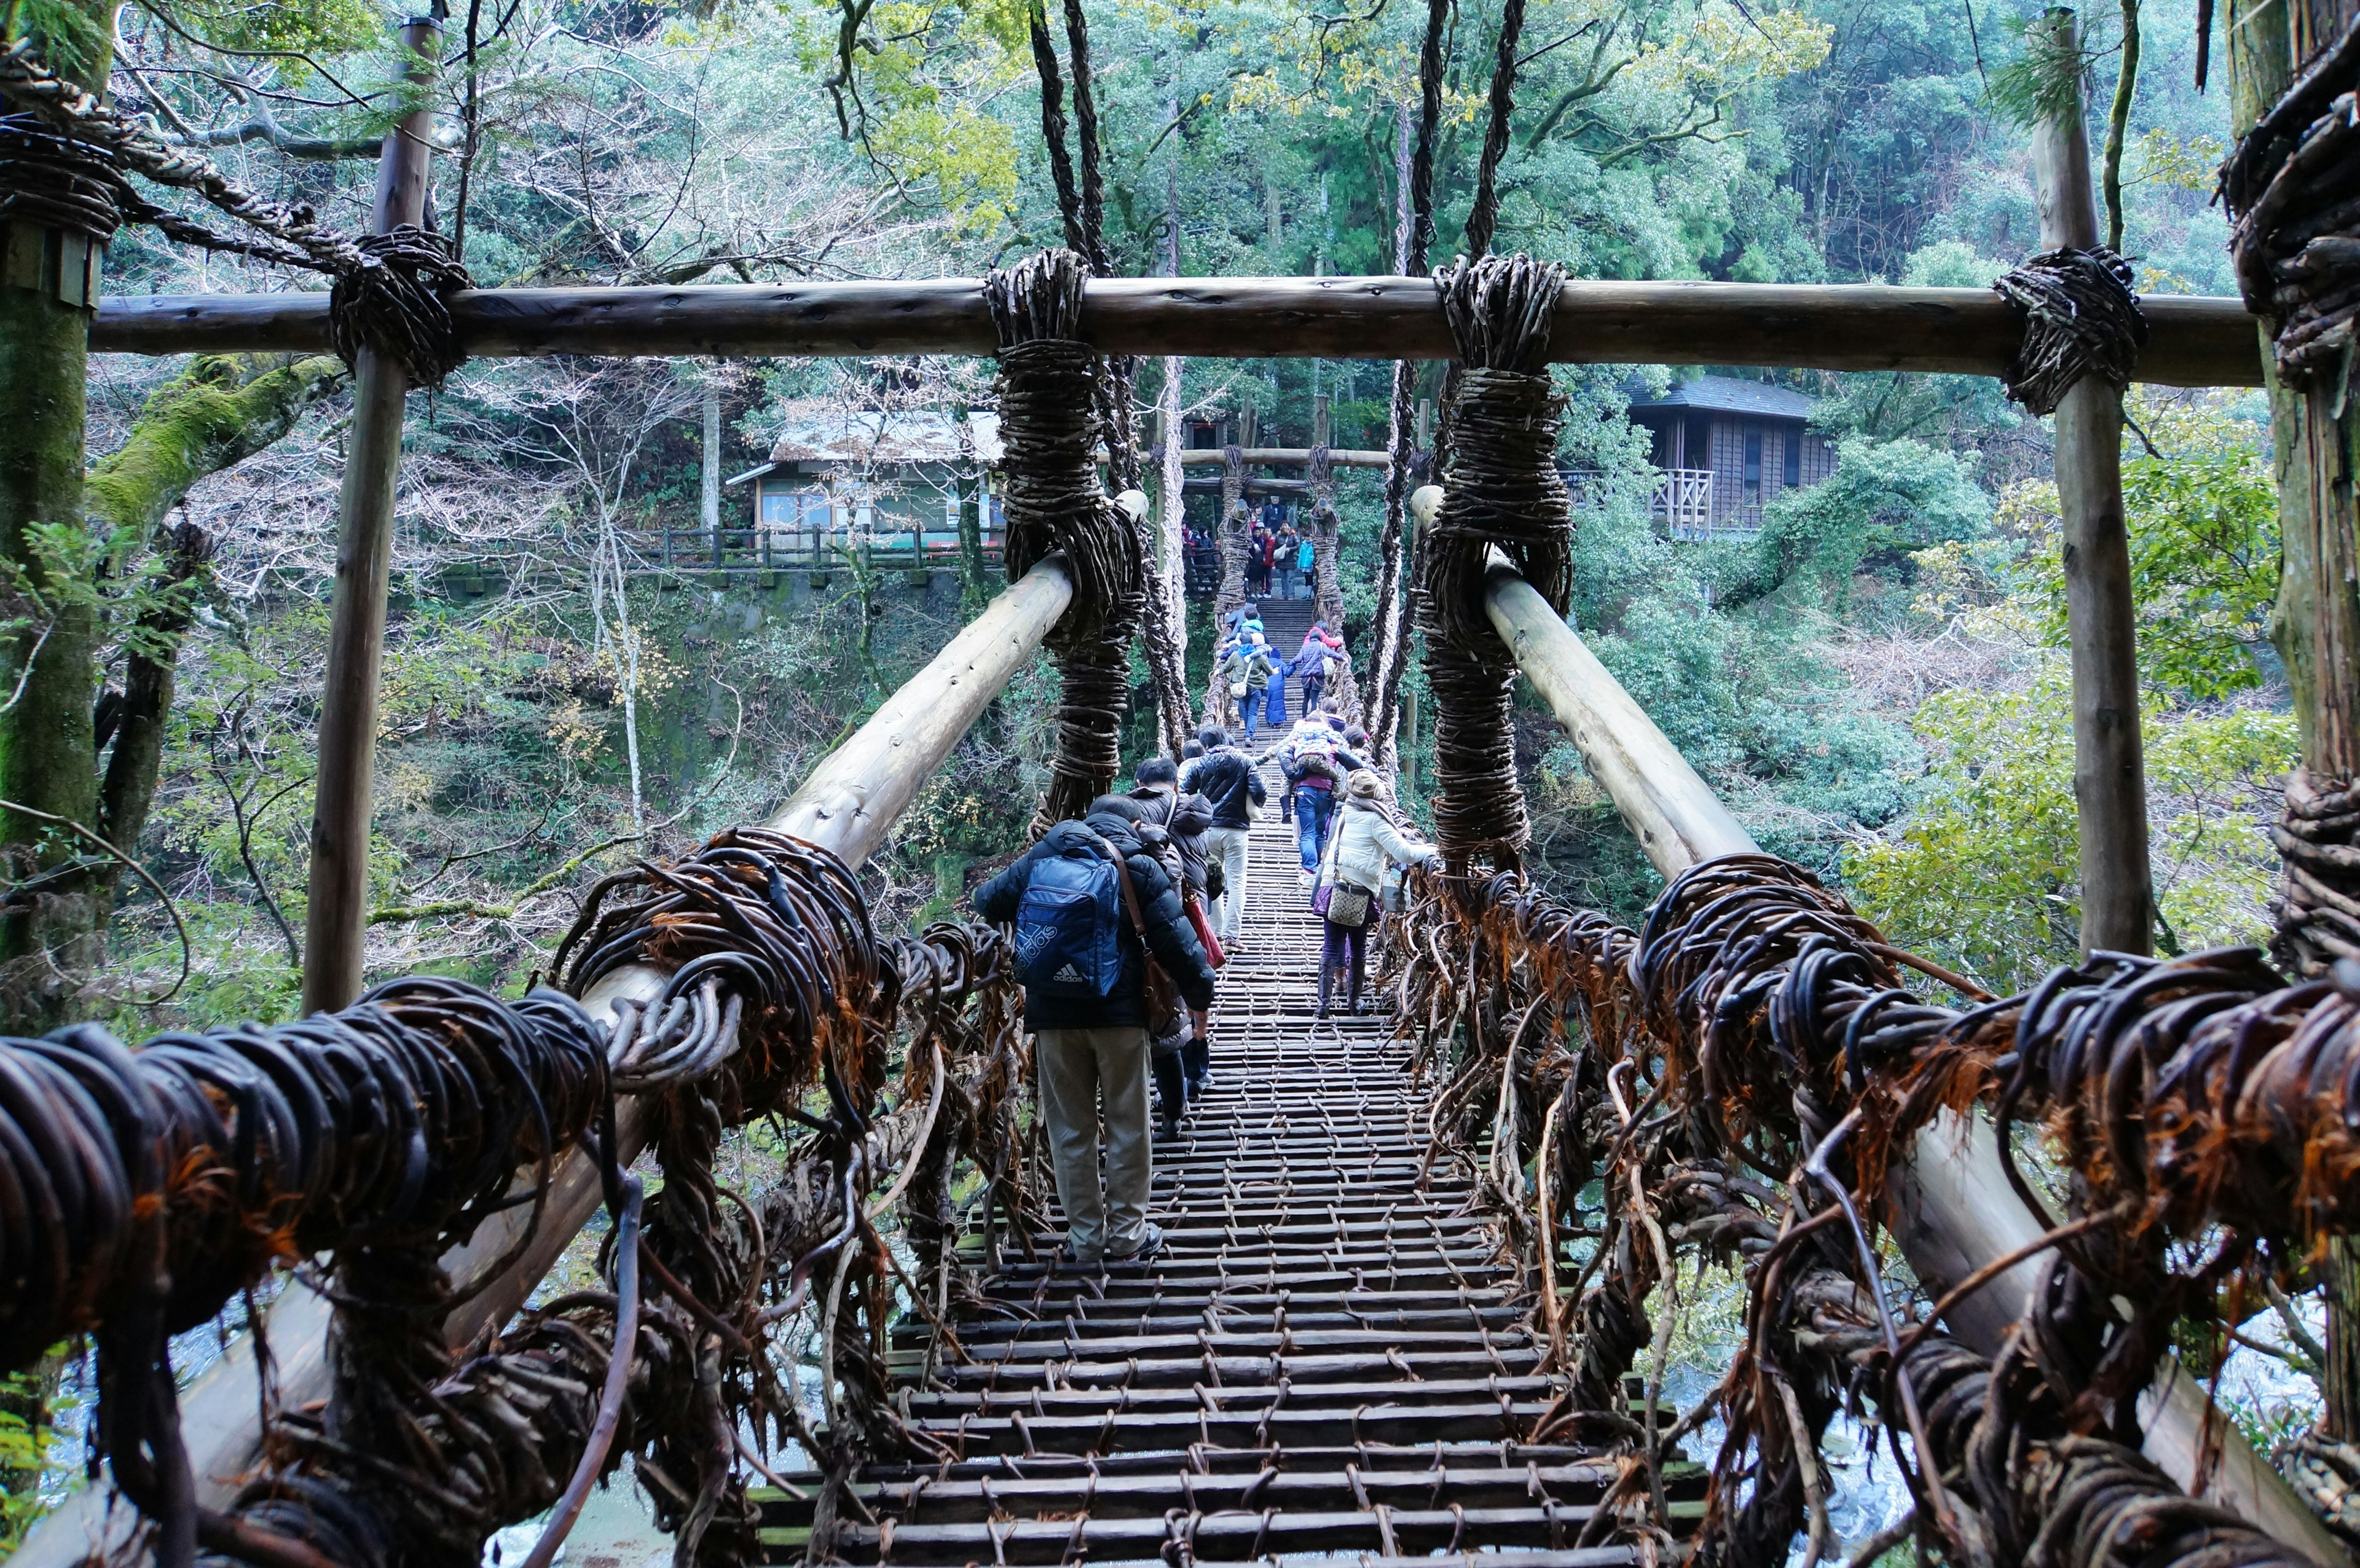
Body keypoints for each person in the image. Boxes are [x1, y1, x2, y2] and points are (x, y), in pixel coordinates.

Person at [974, 793, 1217, 1265]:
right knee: (1128, 1124)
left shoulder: (1043, 857)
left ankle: (1085, 1239)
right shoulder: (1139, 865)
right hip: (1119, 1019)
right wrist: (1201, 994)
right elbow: (1177, 942)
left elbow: (988, 901)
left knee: (1071, 1130)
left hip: (1053, 1019)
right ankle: (1128, 1234)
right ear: (1133, 823)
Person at [1314, 769, 1437, 1017]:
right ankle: (1354, 1003)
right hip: (1359, 891)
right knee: (1358, 947)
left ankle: (1323, 1007)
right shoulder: (1376, 820)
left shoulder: (1344, 811)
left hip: (1332, 884)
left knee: (1331, 946)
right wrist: (1430, 850)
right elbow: (1405, 854)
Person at [1189, 724, 1262, 950]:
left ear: (1206, 744)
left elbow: (1186, 792)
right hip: (1236, 829)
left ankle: (1217, 936)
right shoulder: (1246, 761)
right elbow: (1259, 790)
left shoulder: (1200, 762)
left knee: (1213, 879)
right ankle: (1232, 937)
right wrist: (1251, 805)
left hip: (1207, 829)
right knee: (1237, 882)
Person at [1222, 633, 1278, 741]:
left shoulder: (1235, 655)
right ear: (1252, 642)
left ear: (1241, 643)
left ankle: (1248, 731)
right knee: (1253, 712)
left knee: (1244, 709)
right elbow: (1270, 671)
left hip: (1241, 688)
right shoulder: (1259, 656)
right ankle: (1249, 735)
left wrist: (1218, 671)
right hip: (1256, 688)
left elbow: (1226, 669)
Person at [1294, 622, 1345, 713]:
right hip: (1317, 676)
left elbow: (1297, 659)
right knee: (1314, 699)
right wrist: (1341, 657)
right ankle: (1313, 719)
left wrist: (1291, 664)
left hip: (1306, 677)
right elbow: (1330, 653)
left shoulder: (1304, 647)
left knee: (1306, 698)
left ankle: (1304, 718)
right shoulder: (1322, 645)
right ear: (1320, 637)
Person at [1294, 530, 1316, 600]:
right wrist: (1299, 565)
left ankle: (1309, 595)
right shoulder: (1303, 544)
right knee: (1307, 579)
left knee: (1310, 579)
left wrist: (1313, 563)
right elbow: (1301, 556)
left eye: (1309, 537)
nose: (1308, 538)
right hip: (1304, 565)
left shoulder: (1313, 545)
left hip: (1310, 564)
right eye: (1306, 537)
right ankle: (1307, 594)